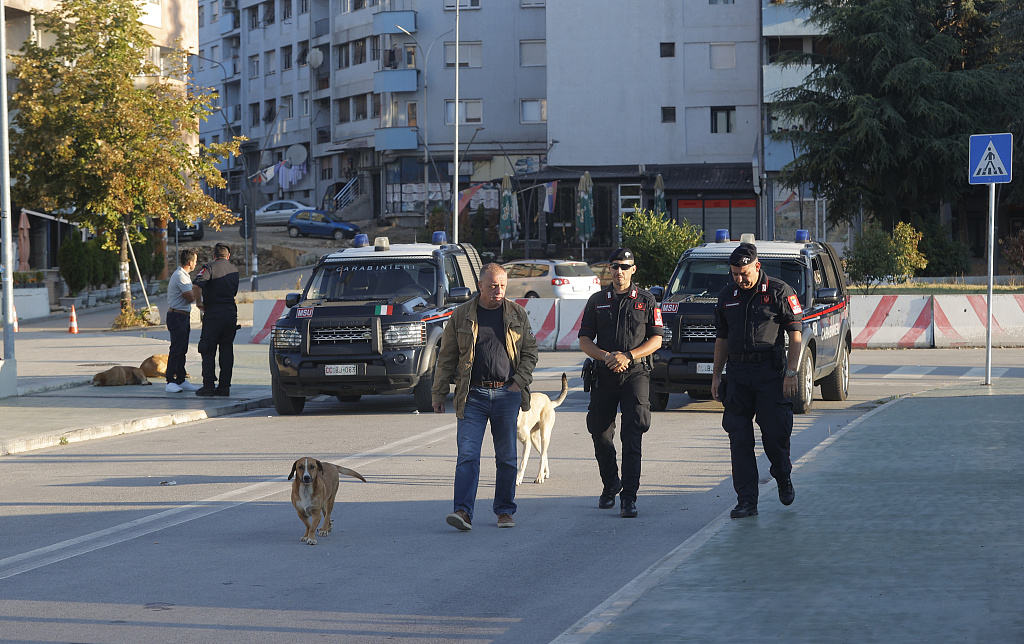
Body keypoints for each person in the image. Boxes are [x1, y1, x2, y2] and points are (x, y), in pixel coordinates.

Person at [432, 263, 539, 531]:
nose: (498, 291)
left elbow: (530, 352)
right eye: (492, 286)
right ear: (480, 286)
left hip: (507, 394)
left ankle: (504, 511)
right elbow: (447, 357)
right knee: (467, 455)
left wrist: (518, 383)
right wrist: (438, 392)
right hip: (473, 395)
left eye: (502, 285)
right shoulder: (461, 315)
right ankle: (463, 512)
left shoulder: (517, 313)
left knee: (506, 457)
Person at [711, 242, 803, 519]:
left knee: (775, 435)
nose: (740, 279)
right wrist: (716, 375)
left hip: (770, 375)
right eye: (735, 274)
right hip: (738, 377)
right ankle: (747, 500)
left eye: (744, 273)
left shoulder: (779, 291)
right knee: (739, 439)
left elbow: (795, 335)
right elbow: (722, 339)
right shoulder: (727, 295)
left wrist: (791, 372)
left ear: (757, 266)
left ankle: (782, 473)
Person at [578, 248, 664, 518]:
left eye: (624, 267)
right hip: (604, 373)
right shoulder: (597, 300)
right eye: (615, 266)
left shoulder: (648, 301)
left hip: (635, 374)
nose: (619, 271)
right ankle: (610, 484)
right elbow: (584, 340)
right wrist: (607, 357)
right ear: (609, 269)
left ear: (633, 269)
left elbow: (657, 339)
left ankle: (629, 497)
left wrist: (628, 356)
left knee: (633, 433)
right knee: (600, 432)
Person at [193, 242, 239, 397]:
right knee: (226, 349)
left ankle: (208, 386)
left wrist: (199, 303)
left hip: (214, 312)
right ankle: (224, 387)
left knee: (207, 348)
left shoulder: (209, 267)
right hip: (230, 312)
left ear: (214, 255)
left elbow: (197, 286)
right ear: (228, 256)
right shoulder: (234, 270)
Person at [165, 249, 200, 393]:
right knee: (176, 349)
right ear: (190, 262)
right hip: (177, 316)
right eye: (195, 261)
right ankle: (170, 381)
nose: (196, 264)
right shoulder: (181, 276)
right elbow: (191, 297)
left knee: (183, 349)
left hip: (183, 316)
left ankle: (180, 379)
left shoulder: (184, 275)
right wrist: (199, 288)